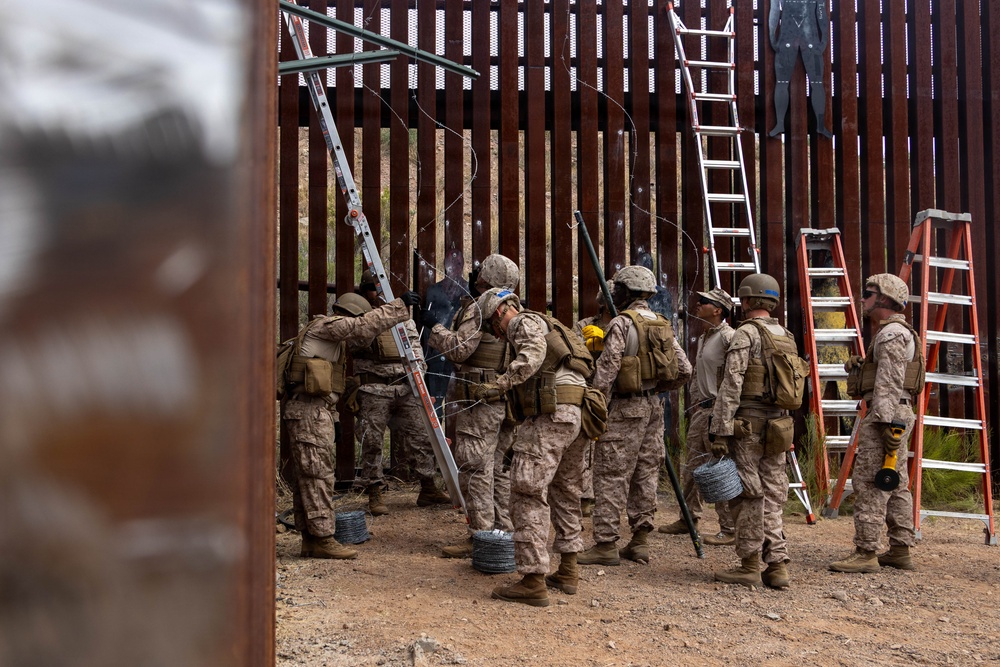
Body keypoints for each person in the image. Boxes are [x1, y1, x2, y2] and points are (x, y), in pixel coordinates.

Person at [472, 287, 604, 606]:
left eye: (492, 324)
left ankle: (532, 580)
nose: (496, 333)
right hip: (579, 414)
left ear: (501, 311)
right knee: (566, 490)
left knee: (526, 492)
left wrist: (499, 384)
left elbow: (531, 356)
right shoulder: (554, 324)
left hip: (551, 413)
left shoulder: (521, 322)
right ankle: (569, 570)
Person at [280, 289, 420, 559]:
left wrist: (333, 419)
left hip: (315, 412)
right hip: (309, 413)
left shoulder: (328, 340)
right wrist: (399, 305)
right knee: (318, 475)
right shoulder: (328, 326)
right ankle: (323, 538)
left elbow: (326, 386)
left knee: (308, 477)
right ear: (348, 315)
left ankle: (310, 539)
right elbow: (363, 326)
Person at [577, 266, 692, 567]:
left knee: (611, 475)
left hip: (624, 410)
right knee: (645, 473)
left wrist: (595, 404)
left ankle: (605, 543)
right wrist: (658, 390)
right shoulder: (662, 323)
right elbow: (685, 370)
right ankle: (640, 541)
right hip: (654, 408)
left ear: (626, 292)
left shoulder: (622, 323)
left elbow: (606, 373)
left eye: (617, 290)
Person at [709, 273, 805, 589]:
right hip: (779, 426)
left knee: (748, 494)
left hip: (746, 427)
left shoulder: (746, 334)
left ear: (746, 300)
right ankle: (777, 565)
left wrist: (720, 430)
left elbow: (732, 383)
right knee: (773, 495)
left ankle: (749, 564)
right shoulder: (786, 335)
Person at [424, 254, 520, 558]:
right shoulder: (514, 308)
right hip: (504, 398)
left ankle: (481, 536)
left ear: (486, 277)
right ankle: (504, 532)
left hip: (478, 399)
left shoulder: (482, 307)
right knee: (499, 469)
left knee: (475, 467)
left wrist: (433, 328)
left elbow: (459, 349)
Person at [830, 274, 921, 573]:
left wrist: (884, 422)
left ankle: (866, 552)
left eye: (868, 294)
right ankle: (899, 548)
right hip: (895, 413)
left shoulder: (892, 334)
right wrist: (861, 367)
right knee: (895, 484)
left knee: (869, 482)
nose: (864, 299)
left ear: (884, 299)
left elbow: (890, 382)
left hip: (887, 415)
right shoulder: (892, 332)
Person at [353, 272, 451, 515]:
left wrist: (419, 376)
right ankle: (374, 491)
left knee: (423, 435)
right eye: (372, 288)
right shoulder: (361, 317)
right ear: (365, 292)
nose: (378, 293)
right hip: (374, 388)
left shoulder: (404, 319)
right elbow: (357, 340)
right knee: (372, 441)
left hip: (406, 387)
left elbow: (417, 351)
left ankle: (427, 487)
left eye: (380, 288)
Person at [659, 288, 736, 545]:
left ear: (718, 310)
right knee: (692, 468)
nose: (698, 305)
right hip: (701, 412)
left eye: (704, 302)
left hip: (718, 410)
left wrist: (724, 413)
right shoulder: (706, 338)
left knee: (719, 468)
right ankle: (688, 518)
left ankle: (729, 528)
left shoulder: (729, 338)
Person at [573, 289, 613, 518]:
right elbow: (572, 350)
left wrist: (606, 343)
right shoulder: (585, 325)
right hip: (589, 392)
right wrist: (588, 346)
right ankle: (584, 497)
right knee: (586, 447)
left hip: (617, 394)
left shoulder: (624, 325)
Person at [768, 0, 833, 138]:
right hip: (789, 38)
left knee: (816, 83)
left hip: (809, 39)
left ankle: (820, 125)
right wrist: (772, 37)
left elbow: (821, 13)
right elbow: (773, 10)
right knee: (782, 82)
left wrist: (824, 40)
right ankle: (780, 124)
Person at [420, 249, 468, 413]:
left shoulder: (469, 292)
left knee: (460, 403)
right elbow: (427, 328)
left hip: (460, 353)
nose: (455, 267)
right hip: (435, 354)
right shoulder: (433, 291)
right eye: (451, 264)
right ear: (445, 266)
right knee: (435, 403)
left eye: (459, 264)